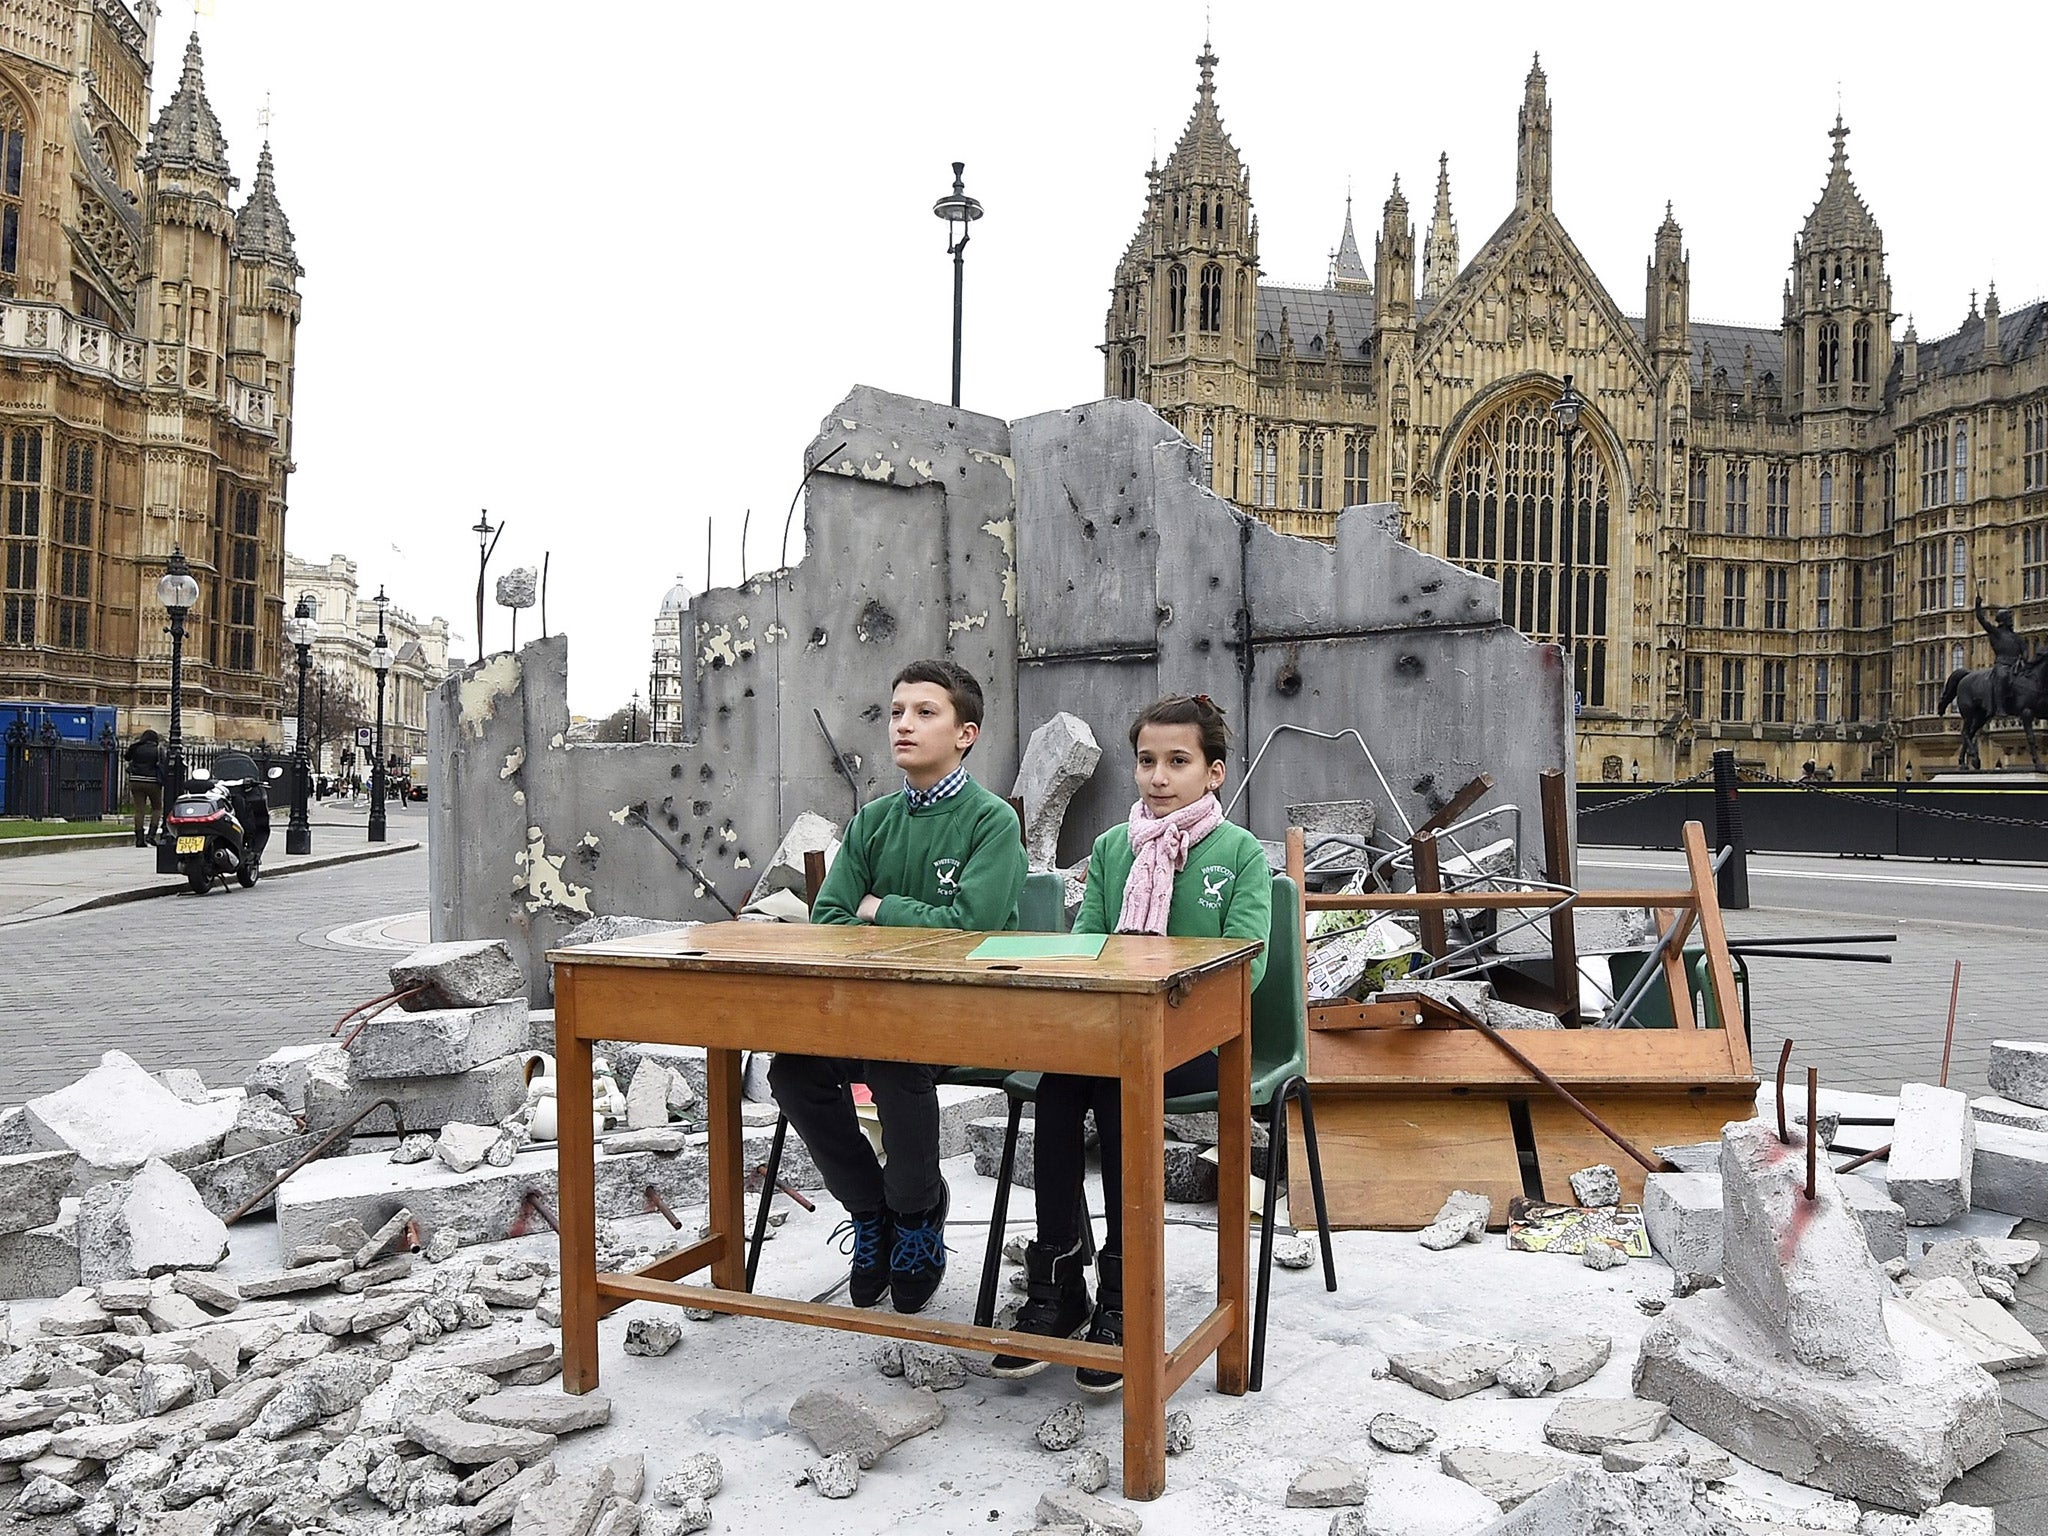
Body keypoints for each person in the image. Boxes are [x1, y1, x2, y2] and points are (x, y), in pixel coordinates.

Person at [990, 693, 1270, 1392]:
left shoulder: (1238, 855)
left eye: (1179, 761)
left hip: (1197, 1038)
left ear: (1214, 773)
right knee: (1057, 1090)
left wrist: (1164, 982)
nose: (1158, 777)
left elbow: (1250, 962)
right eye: (1147, 761)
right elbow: (1091, 940)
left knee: (1118, 1095)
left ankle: (1126, 1285)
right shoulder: (1116, 848)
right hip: (1116, 1030)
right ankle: (1056, 1283)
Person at [769, 659, 1026, 1314]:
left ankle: (918, 1215)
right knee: (792, 1071)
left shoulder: (991, 822)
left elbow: (972, 929)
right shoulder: (873, 821)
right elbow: (829, 919)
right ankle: (873, 1211)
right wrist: (885, 915)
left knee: (893, 1055)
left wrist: (879, 908)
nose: (904, 725)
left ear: (965, 733)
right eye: (897, 712)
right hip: (872, 1010)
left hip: (969, 1016)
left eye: (925, 712)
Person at [1976, 596, 2028, 717]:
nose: (2011, 620)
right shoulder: (1996, 633)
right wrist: (1978, 606)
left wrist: (2024, 658)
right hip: (2002, 664)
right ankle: (1999, 707)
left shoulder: (2015, 637)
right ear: (2003, 620)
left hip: (2016, 665)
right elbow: (1982, 620)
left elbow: (2024, 650)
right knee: (2002, 676)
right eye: (2009, 618)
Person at [123, 729, 163, 846]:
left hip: (136, 780)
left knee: (139, 810)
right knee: (157, 808)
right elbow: (163, 763)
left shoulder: (136, 747)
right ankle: (151, 835)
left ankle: (139, 838)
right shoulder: (158, 750)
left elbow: (127, 757)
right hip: (152, 781)